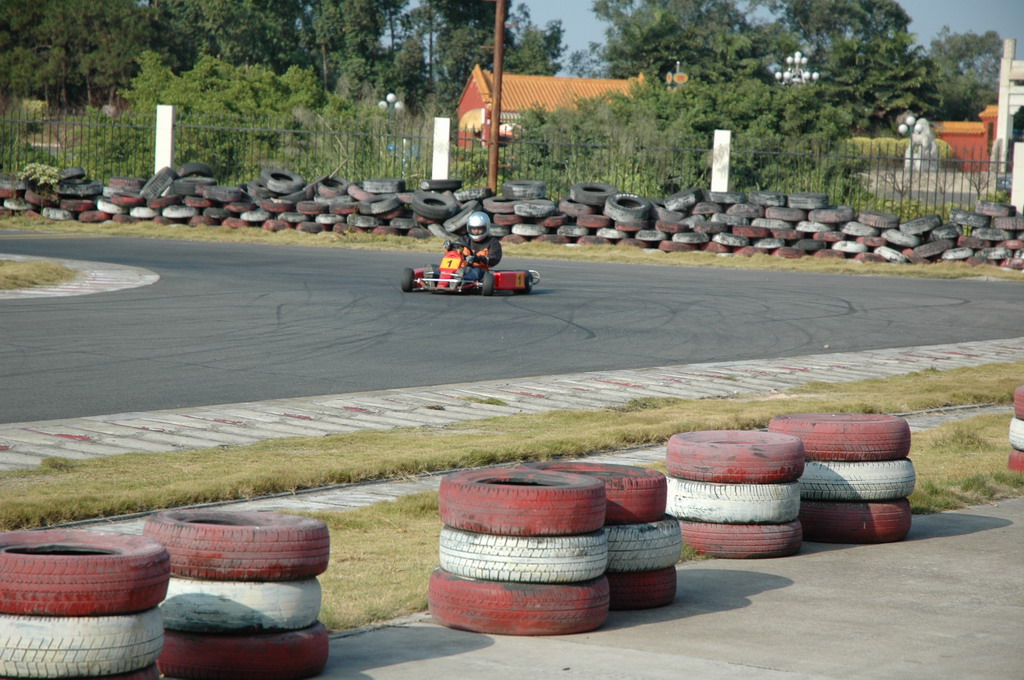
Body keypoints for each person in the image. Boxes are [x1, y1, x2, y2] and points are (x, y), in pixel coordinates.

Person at [442, 211, 502, 282]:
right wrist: (449, 248)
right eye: (473, 229)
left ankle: (461, 278)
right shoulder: (463, 240)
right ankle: (435, 276)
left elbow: (493, 259)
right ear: (469, 228)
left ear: (486, 227)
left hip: (479, 269)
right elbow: (453, 254)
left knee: (476, 272)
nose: (476, 232)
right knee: (442, 269)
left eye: (479, 229)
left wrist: (478, 259)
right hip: (460, 268)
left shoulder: (492, 243)